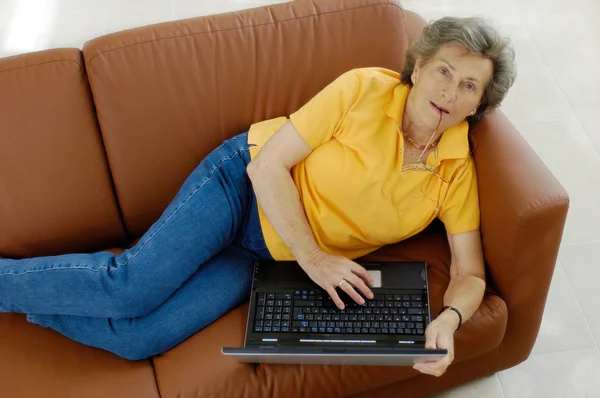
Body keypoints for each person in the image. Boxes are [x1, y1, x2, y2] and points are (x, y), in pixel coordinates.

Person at [0, 16, 516, 375]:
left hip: (266, 256)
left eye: (470, 86)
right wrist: (314, 259)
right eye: (445, 70)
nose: (450, 92)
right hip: (242, 187)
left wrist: (448, 322)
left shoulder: (455, 171)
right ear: (419, 66)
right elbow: (269, 166)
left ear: (478, 106)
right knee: (130, 288)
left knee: (140, 340)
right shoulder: (364, 90)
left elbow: (469, 274)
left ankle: (31, 302)